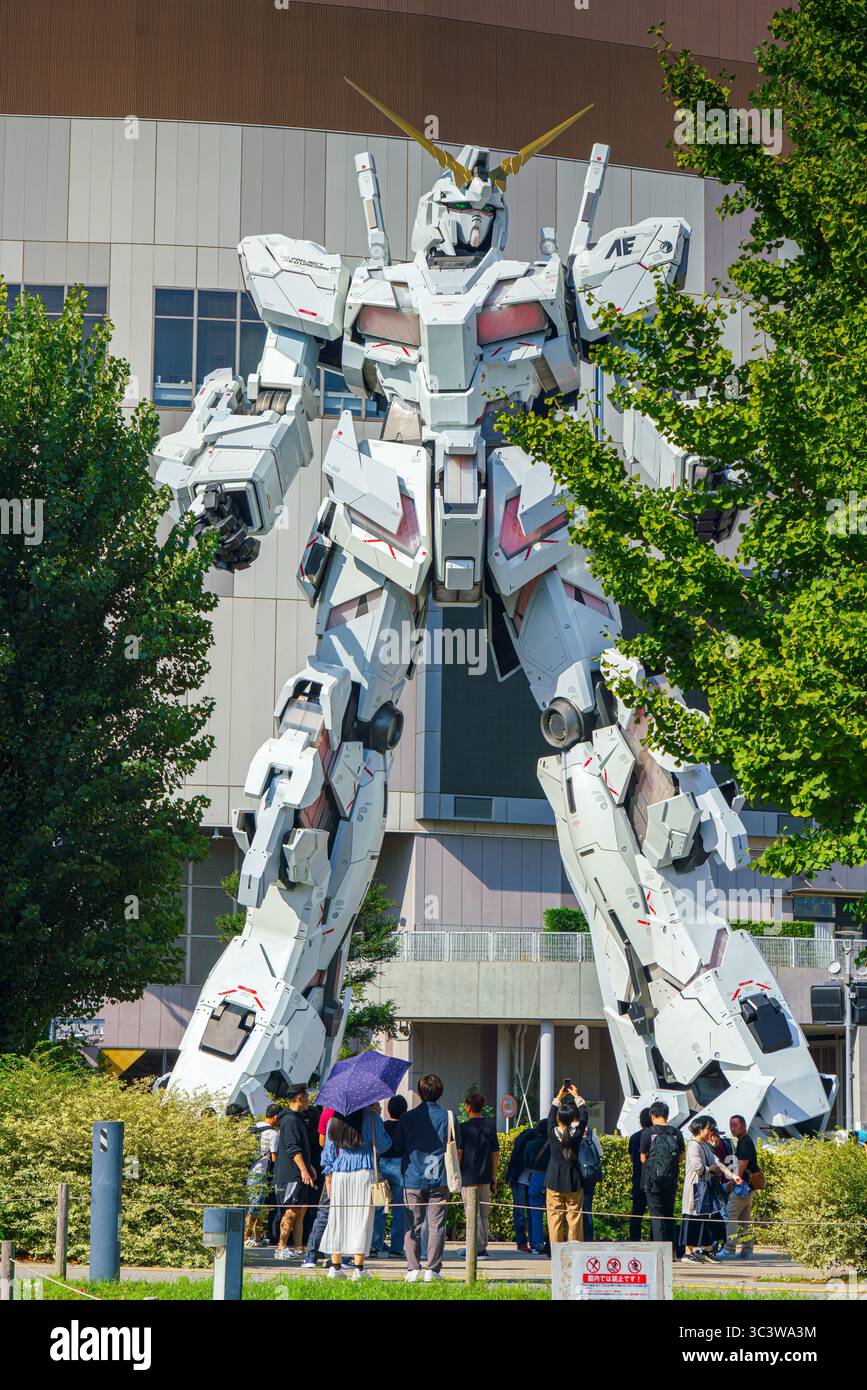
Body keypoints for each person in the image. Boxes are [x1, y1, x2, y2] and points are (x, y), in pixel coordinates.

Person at [390, 1073, 456, 1283]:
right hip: (439, 1176)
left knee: (412, 1224)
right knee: (437, 1224)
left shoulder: (407, 1118)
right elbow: (457, 1146)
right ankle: (433, 1270)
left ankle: (412, 1268)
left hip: (412, 1177)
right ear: (440, 1092)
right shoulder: (448, 1116)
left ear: (419, 1092)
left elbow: (398, 1147)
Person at [319, 1104, 389, 1280]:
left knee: (337, 1218)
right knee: (363, 1219)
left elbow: (328, 1150)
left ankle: (335, 1267)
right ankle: (358, 1268)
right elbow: (384, 1144)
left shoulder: (334, 1119)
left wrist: (328, 1176)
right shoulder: (371, 1117)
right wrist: (376, 1119)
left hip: (340, 1172)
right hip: (365, 1171)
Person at [272, 1085, 318, 1262]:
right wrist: (304, 1170)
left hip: (300, 1171)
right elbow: (293, 1148)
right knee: (290, 1211)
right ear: (299, 1098)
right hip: (291, 1173)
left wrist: (309, 1166)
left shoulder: (297, 1118)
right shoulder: (289, 1120)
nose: (308, 1101)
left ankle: (299, 1247)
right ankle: (281, 1247)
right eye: (306, 1097)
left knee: (300, 1211)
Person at [680, 1115, 733, 1263]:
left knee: (710, 1218)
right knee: (692, 1219)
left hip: (705, 1188)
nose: (710, 1132)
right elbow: (698, 1168)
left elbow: (717, 1162)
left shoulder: (703, 1145)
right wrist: (712, 1169)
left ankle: (707, 1250)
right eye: (708, 1129)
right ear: (700, 1129)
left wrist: (732, 1176)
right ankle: (688, 1253)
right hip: (695, 1189)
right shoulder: (693, 1145)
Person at [640, 1100, 685, 1256]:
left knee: (657, 1217)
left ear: (652, 1116)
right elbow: (680, 1158)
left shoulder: (648, 1133)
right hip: (671, 1181)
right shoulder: (676, 1133)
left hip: (653, 1182)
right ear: (667, 1115)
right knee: (669, 1215)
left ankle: (660, 1253)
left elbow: (643, 1159)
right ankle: (672, 1252)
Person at [544, 1084, 588, 1244]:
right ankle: (574, 1252)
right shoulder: (576, 1134)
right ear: (571, 1120)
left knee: (554, 1219)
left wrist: (559, 1097)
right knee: (574, 1218)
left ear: (558, 1119)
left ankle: (557, 1253)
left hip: (553, 1180)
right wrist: (577, 1096)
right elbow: (584, 1118)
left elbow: (549, 1117)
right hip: (573, 1181)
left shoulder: (551, 1132)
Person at [457, 1090, 499, 1260]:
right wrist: (494, 1175)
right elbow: (495, 1153)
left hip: (468, 1177)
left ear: (467, 1107)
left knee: (471, 1213)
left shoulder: (464, 1127)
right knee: (483, 1212)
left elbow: (459, 1152)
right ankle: (482, 1246)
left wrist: (456, 1173)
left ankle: (476, 1248)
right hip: (485, 1176)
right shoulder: (490, 1126)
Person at [370, 1094, 408, 1259]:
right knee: (400, 1209)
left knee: (379, 1208)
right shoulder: (406, 1126)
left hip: (383, 1166)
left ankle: (375, 1245)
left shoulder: (382, 1125)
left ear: (388, 1109)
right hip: (400, 1167)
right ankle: (397, 1248)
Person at [301, 1104, 336, 1269]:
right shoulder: (360, 1114)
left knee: (323, 1213)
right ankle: (343, 1257)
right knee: (348, 1214)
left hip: (332, 1169)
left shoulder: (327, 1113)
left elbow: (323, 1142)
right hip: (353, 1171)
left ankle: (312, 1255)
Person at [722, 1113, 759, 1259]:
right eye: (731, 1126)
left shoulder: (745, 1142)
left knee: (731, 1216)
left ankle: (729, 1249)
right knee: (745, 1220)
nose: (733, 1129)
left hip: (741, 1187)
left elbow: (742, 1165)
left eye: (735, 1125)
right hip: (748, 1188)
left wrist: (732, 1182)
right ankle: (747, 1250)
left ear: (744, 1126)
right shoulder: (745, 1141)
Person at [245, 1103, 280, 1246]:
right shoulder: (273, 1134)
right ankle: (245, 1236)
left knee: (256, 1204)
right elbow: (274, 1158)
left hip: (250, 1170)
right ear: (276, 1117)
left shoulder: (251, 1129)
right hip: (263, 1171)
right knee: (256, 1205)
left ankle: (258, 1236)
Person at [505, 1122, 538, 1252]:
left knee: (521, 1213)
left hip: (521, 1182)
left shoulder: (520, 1151)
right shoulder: (529, 1150)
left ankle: (525, 1243)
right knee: (526, 1213)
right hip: (522, 1182)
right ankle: (528, 1242)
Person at [525, 1119, 550, 1253]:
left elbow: (526, 1162)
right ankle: (552, 1243)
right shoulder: (555, 1144)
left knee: (535, 1213)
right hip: (551, 1179)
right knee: (552, 1213)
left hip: (536, 1178)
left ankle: (537, 1243)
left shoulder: (531, 1145)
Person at [628, 1108, 652, 1241]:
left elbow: (632, 1158)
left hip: (638, 1179)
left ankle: (634, 1241)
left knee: (636, 1214)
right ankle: (656, 1242)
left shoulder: (634, 1137)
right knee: (657, 1215)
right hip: (654, 1180)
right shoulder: (656, 1137)